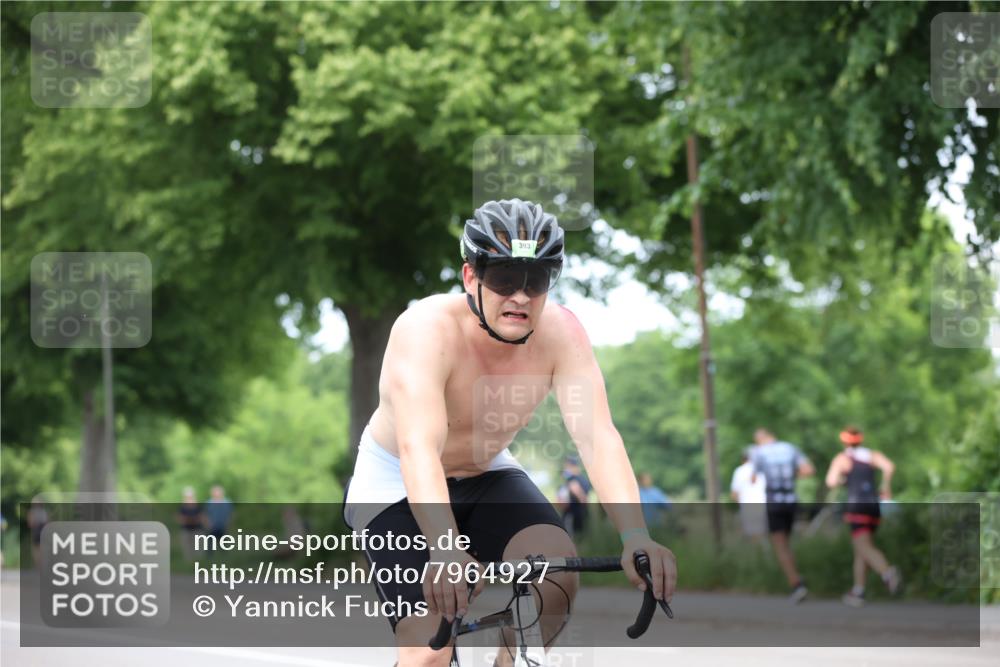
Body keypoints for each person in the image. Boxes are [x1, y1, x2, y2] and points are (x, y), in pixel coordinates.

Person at [343, 199, 677, 666]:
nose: (519, 296)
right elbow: (418, 448)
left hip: (485, 469)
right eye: (502, 277)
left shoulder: (562, 333)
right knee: (429, 653)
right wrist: (446, 548)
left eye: (535, 280)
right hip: (397, 479)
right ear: (469, 278)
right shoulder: (424, 330)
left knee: (555, 574)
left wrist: (636, 535)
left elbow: (597, 437)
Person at [825, 426, 901, 607]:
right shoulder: (871, 456)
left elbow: (831, 481)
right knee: (861, 549)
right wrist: (885, 486)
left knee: (864, 547)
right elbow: (889, 467)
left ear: (844, 441)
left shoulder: (843, 458)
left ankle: (887, 573)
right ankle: (859, 591)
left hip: (857, 506)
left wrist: (845, 480)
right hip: (873, 505)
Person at [750, 428, 814, 603]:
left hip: (774, 501)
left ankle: (796, 584)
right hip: (791, 500)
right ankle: (797, 577)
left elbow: (753, 478)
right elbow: (808, 470)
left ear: (759, 440)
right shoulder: (790, 448)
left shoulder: (758, 452)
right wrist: (791, 475)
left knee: (780, 544)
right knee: (787, 541)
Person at [730, 446, 767, 541]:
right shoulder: (763, 470)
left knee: (753, 535)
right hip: (764, 503)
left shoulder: (739, 471)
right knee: (764, 533)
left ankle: (758, 553)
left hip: (747, 504)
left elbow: (734, 494)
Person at [560, 456, 592, 536]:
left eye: (567, 466)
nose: (566, 468)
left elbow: (576, 491)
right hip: (583, 511)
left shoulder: (572, 479)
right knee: (583, 534)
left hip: (573, 512)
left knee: (572, 536)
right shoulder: (584, 479)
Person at [176, 487, 205, 563]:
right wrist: (190, 520)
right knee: (188, 549)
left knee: (199, 548)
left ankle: (199, 563)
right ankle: (189, 564)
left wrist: (191, 520)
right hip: (186, 530)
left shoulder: (198, 506)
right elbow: (180, 518)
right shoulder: (182, 507)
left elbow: (201, 517)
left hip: (197, 530)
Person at [204, 485, 234, 558]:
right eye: (215, 492)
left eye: (218, 492)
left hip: (223, 526)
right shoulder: (209, 503)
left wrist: (228, 523)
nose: (217, 494)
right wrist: (208, 524)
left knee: (223, 544)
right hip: (212, 526)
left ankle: (225, 559)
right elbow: (205, 514)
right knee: (210, 544)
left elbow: (231, 514)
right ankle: (210, 559)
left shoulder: (227, 502)